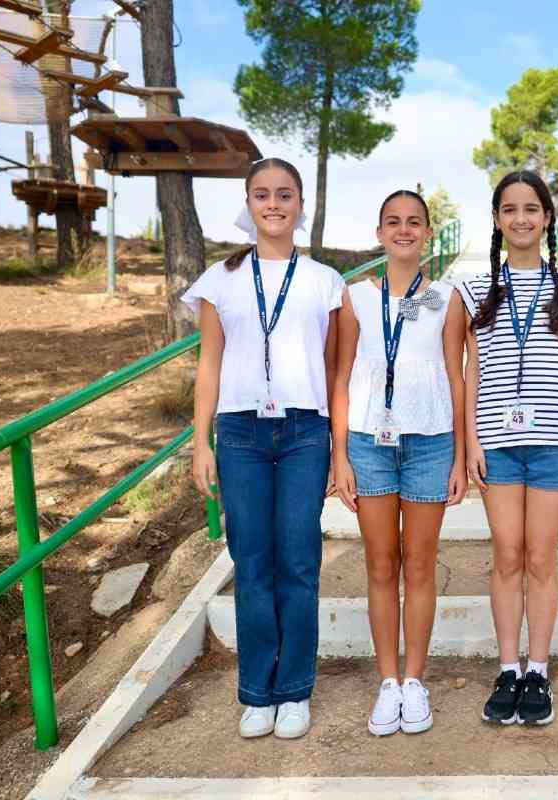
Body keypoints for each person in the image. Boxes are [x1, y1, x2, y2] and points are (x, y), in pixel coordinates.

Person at [185, 157, 346, 740]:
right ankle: (257, 691)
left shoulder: (325, 281)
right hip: (240, 434)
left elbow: (334, 368)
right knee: (251, 561)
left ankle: (295, 689)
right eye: (262, 194)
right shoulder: (219, 279)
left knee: (298, 561)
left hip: (305, 431)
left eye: (284, 194)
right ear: (248, 204)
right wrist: (200, 443)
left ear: (300, 205)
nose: (273, 204)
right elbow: (209, 364)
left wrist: (339, 448)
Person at [331, 189, 467, 736]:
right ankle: (387, 681)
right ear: (379, 232)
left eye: (414, 222)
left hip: (431, 441)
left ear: (429, 233)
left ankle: (415, 679)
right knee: (381, 564)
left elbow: (456, 375)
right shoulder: (355, 298)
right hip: (369, 442)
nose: (404, 230)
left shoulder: (447, 297)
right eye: (394, 221)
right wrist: (340, 454)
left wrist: (460, 455)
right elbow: (341, 376)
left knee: (420, 565)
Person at [459, 170, 558, 726]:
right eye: (509, 209)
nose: (521, 218)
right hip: (497, 443)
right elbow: (469, 371)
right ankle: (508, 667)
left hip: (556, 442)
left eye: (531, 208)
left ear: (547, 218)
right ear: (496, 219)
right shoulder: (473, 290)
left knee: (540, 557)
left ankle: (539, 669)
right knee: (507, 555)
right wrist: (470, 441)